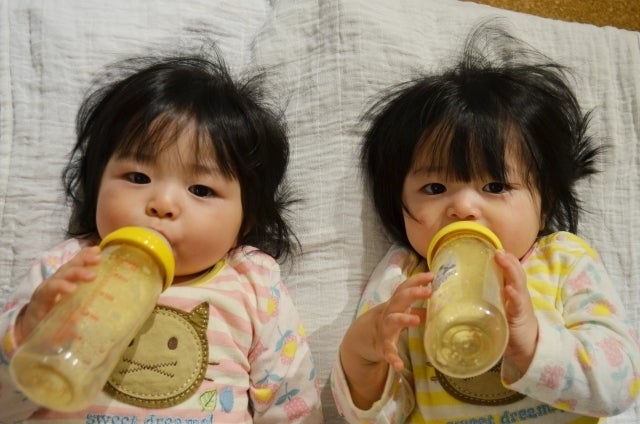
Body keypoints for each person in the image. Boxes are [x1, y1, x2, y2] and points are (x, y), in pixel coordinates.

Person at [331, 22, 640, 423]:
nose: (463, 207)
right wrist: (364, 354)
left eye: (495, 186)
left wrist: (533, 346)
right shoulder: (404, 279)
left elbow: (621, 385)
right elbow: (376, 418)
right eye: (435, 187)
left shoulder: (563, 262)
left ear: (544, 203)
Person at [0, 50, 323, 423]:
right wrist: (27, 329)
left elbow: (292, 402)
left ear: (246, 219)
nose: (163, 204)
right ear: (96, 184)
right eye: (138, 177)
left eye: (201, 190)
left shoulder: (252, 283)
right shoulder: (70, 269)